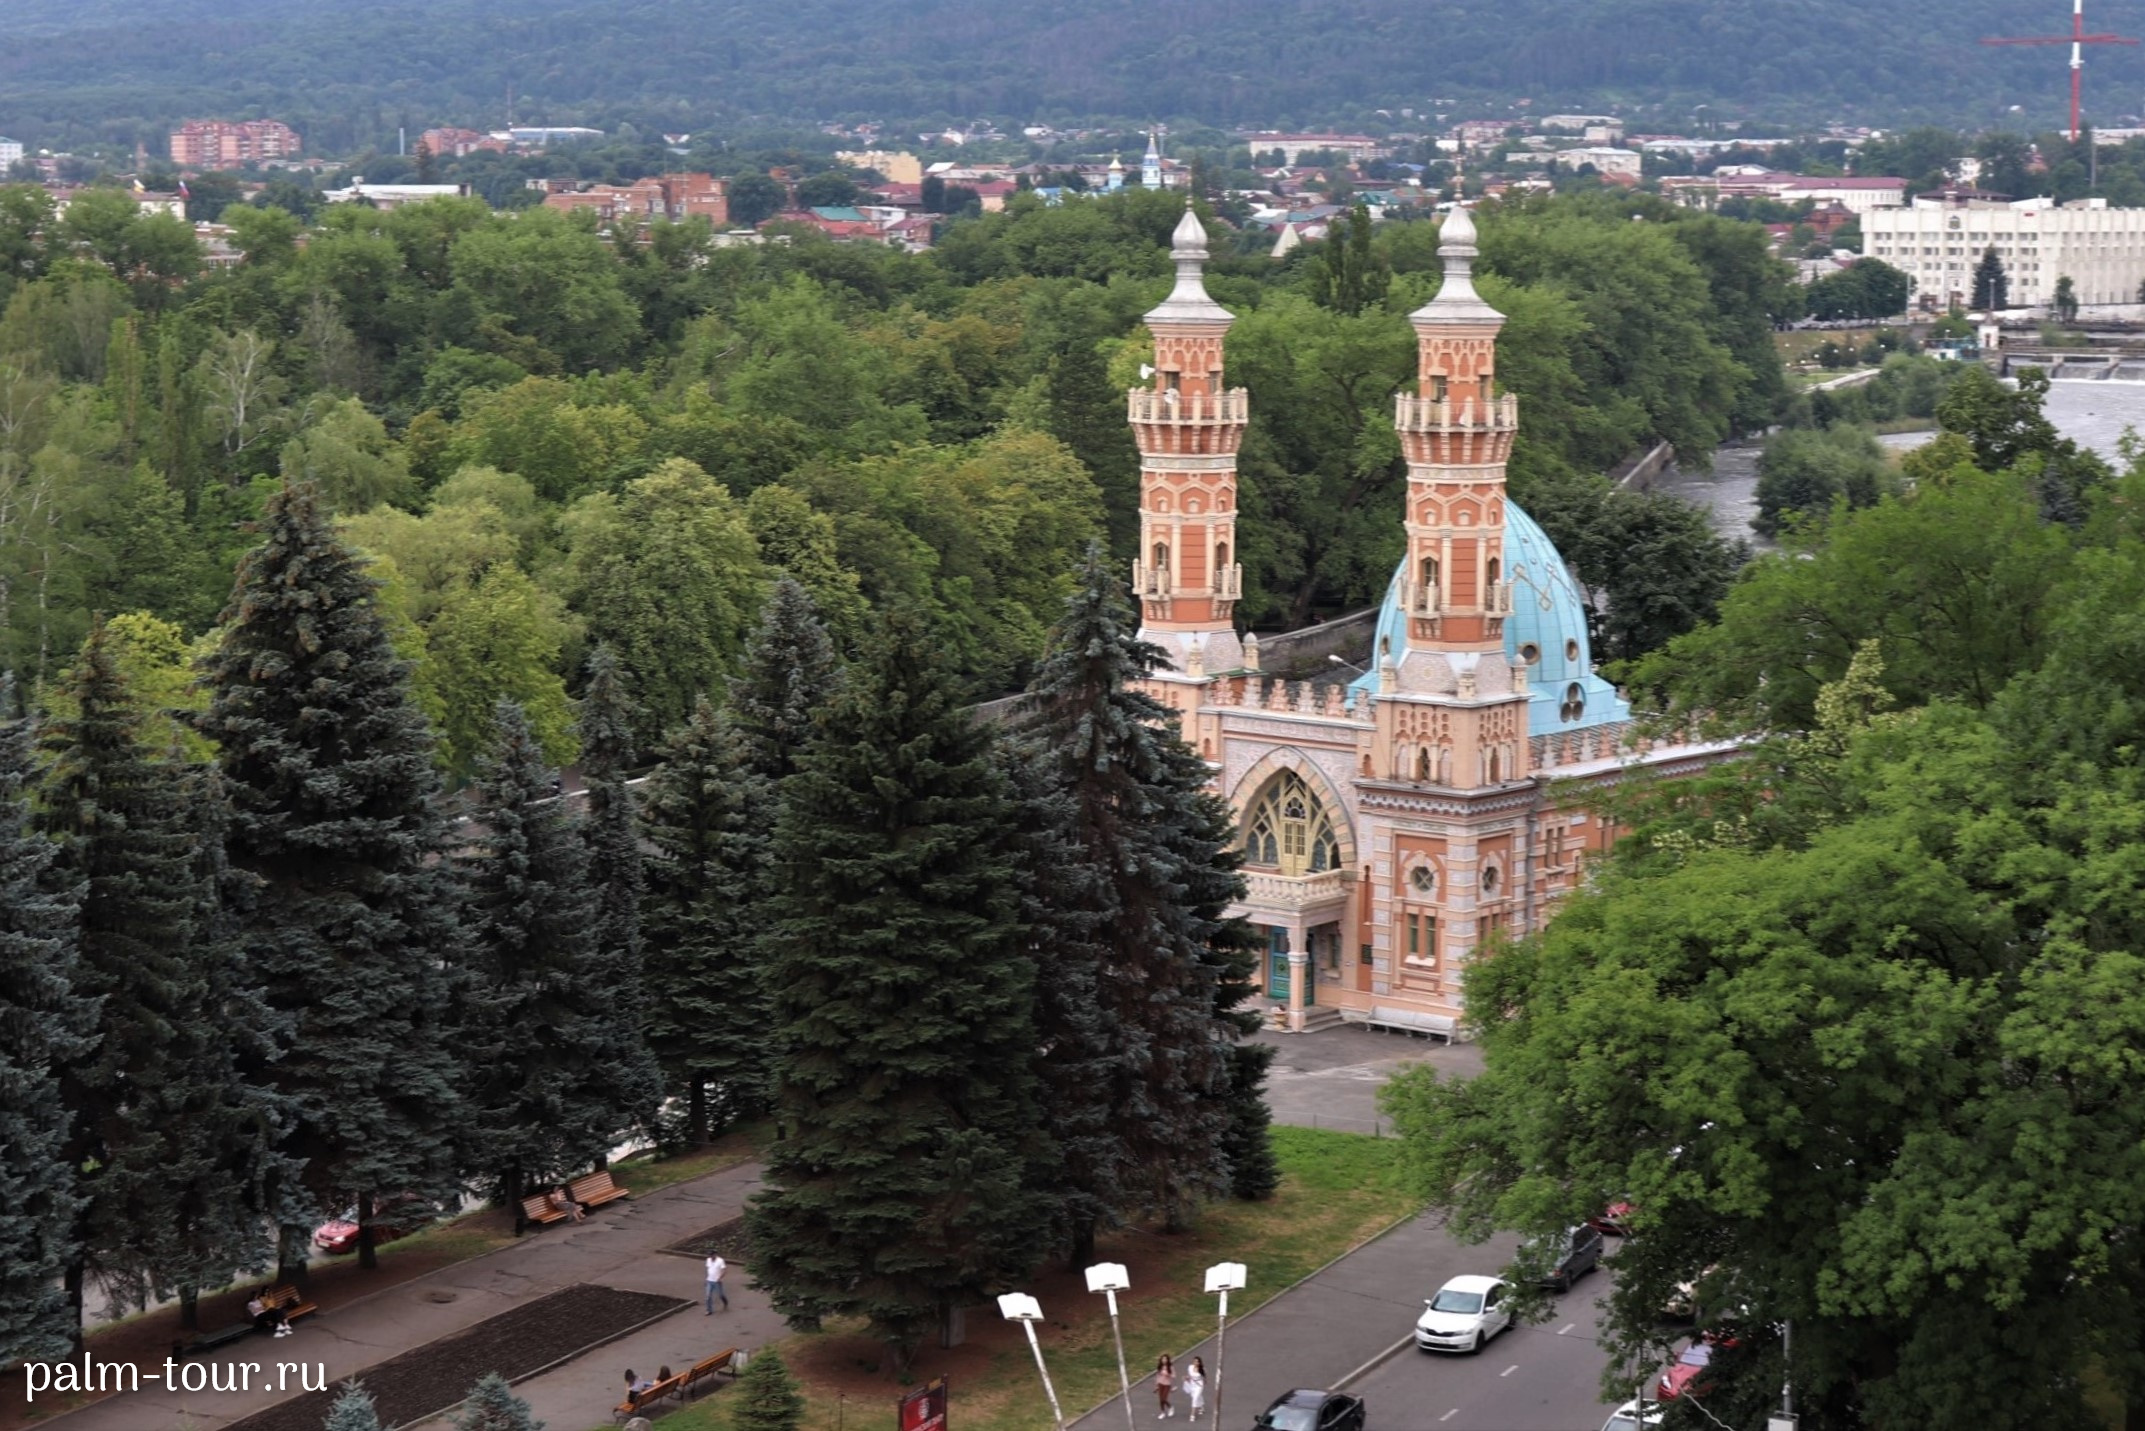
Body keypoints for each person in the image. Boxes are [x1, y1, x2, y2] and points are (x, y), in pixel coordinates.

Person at [1155, 1352, 1175, 1419]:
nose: (1164, 1360)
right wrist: (1156, 1385)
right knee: (1160, 1399)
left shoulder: (1170, 1367)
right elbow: (1158, 1375)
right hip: (1160, 1384)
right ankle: (1162, 1412)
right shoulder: (1160, 1366)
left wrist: (1168, 1374)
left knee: (1164, 1398)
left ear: (1167, 1360)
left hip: (1167, 1384)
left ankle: (1170, 1407)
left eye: (1165, 1359)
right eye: (1163, 1359)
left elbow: (1174, 1376)